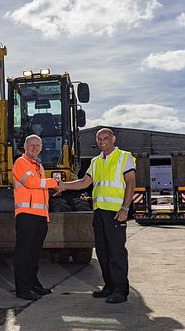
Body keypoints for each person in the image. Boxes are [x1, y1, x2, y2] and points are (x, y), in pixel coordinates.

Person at [58, 128, 136, 303]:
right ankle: (109, 286)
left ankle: (120, 291)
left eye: (106, 138)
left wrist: (125, 209)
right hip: (99, 212)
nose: (102, 141)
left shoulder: (124, 157)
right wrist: (64, 186)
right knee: (102, 251)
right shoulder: (95, 161)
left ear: (113, 139)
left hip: (116, 212)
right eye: (99, 139)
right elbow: (85, 183)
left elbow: (131, 183)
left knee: (116, 252)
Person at [12, 134, 60, 300]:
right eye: (31, 145)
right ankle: (22, 289)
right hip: (26, 216)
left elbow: (41, 193)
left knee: (34, 254)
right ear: (25, 146)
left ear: (41, 147)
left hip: (40, 216)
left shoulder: (38, 166)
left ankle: (33, 284)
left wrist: (45, 217)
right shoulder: (21, 162)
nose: (34, 148)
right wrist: (54, 183)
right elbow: (31, 183)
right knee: (24, 253)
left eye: (37, 145)